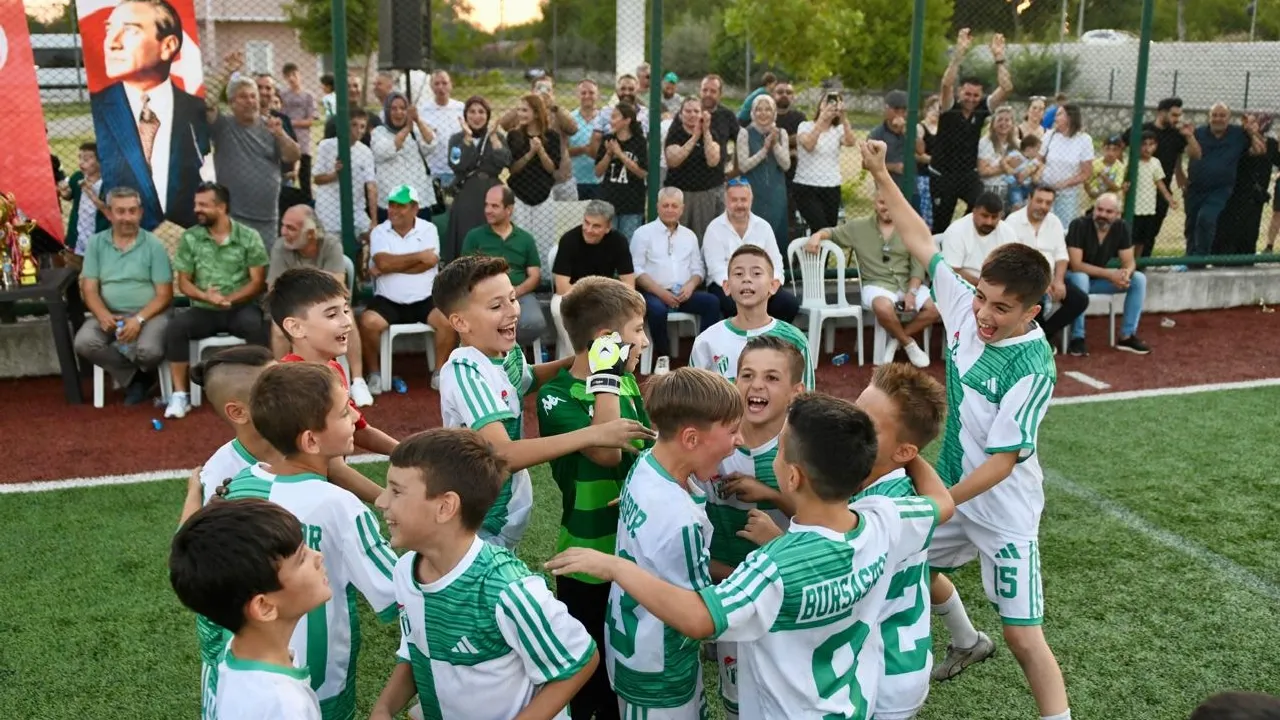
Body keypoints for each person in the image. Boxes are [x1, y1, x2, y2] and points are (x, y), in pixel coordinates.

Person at [546, 391, 953, 720]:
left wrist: (614, 566)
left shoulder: (775, 567)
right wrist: (895, 451)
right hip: (851, 705)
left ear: (792, 476)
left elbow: (699, 619)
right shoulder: (885, 520)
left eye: (779, 450)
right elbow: (943, 502)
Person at [862, 138, 1072, 720]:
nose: (983, 313)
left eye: (1001, 308)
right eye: (982, 297)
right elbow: (920, 241)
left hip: (1002, 508)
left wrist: (942, 502)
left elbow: (1004, 461)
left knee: (1023, 636)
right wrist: (880, 172)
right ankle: (964, 639)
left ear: (1031, 312)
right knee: (905, 560)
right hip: (954, 487)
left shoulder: (1033, 366)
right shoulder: (964, 307)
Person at [737, 363, 949, 720]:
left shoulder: (878, 510)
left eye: (869, 423)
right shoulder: (892, 490)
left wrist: (777, 541)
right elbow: (944, 504)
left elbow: (832, 564)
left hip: (886, 670)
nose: (854, 424)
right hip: (899, 659)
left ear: (903, 452)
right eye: (856, 409)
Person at [368, 428, 600, 720]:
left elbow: (581, 660)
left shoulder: (508, 590)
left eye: (396, 491)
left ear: (445, 507)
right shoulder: (406, 571)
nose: (381, 500)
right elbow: (417, 648)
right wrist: (384, 707)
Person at [433, 255, 655, 549]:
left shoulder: (504, 353)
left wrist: (587, 358)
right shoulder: (466, 371)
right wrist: (594, 434)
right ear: (460, 321)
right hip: (477, 519)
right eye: (496, 306)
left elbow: (528, 378)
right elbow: (501, 454)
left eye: (513, 299)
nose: (512, 311)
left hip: (502, 511)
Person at [220, 362, 399, 720]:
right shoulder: (340, 505)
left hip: (246, 665)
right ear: (311, 441)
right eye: (345, 412)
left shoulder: (238, 485)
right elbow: (396, 591)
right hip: (321, 680)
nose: (355, 418)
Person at [536, 277, 652, 720]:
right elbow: (607, 451)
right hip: (586, 557)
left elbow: (644, 449)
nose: (644, 340)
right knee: (591, 675)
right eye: (637, 330)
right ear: (606, 341)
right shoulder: (555, 396)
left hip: (634, 549)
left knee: (630, 663)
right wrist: (607, 377)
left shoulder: (627, 385)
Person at [692, 336, 807, 719]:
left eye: (772, 378)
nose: (757, 385)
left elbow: (823, 520)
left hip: (784, 595)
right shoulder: (711, 439)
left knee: (786, 692)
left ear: (796, 392)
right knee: (738, 697)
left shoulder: (803, 449)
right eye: (747, 375)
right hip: (727, 592)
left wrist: (771, 495)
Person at [170, 499, 330, 720]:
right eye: (301, 558)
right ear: (264, 607)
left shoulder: (237, 652)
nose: (318, 556)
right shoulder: (285, 705)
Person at [267, 268, 398, 504]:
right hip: (302, 503)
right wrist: (389, 503)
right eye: (331, 315)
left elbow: (358, 428)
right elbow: (334, 469)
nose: (347, 322)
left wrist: (406, 451)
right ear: (295, 327)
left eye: (346, 310)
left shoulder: (332, 368)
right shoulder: (295, 382)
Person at [91, 0, 210, 230]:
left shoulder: (196, 111)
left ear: (168, 46)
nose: (112, 43)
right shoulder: (98, 109)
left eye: (130, 30)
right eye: (109, 30)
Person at [163, 183, 270, 420]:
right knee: (176, 328)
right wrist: (206, 297)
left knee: (256, 326)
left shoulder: (248, 237)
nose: (196, 209)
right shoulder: (191, 237)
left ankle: (262, 390)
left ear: (221, 207)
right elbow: (184, 282)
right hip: (204, 309)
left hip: (240, 307)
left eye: (203, 205)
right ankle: (180, 395)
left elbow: (257, 282)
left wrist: (229, 299)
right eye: (196, 204)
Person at [805, 190, 940, 367]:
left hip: (907, 284)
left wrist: (912, 292)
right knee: (882, 306)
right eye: (882, 203)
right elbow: (831, 233)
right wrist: (816, 236)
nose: (887, 208)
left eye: (892, 203)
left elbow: (917, 267)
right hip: (877, 284)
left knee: (936, 307)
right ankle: (908, 343)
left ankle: (897, 340)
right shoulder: (858, 227)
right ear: (875, 204)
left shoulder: (910, 228)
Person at [74, 186, 174, 405]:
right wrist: (102, 315)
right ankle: (138, 378)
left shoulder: (154, 245)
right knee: (84, 342)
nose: (126, 218)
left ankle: (135, 376)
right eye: (120, 211)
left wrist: (138, 320)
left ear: (140, 213)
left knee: (149, 351)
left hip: (150, 314)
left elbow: (165, 294)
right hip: (110, 314)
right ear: (109, 214)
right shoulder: (96, 244)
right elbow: (89, 289)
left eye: (132, 211)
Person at [358, 185, 456, 392]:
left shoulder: (428, 229)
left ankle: (439, 372)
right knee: (367, 322)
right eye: (391, 205)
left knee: (448, 320)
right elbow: (383, 262)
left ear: (414, 208)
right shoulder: (379, 232)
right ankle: (375, 374)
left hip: (425, 299)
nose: (393, 210)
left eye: (400, 206)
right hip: (388, 301)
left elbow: (429, 263)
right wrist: (419, 256)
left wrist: (390, 267)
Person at [177, 345, 278, 525]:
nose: (293, 393)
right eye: (277, 391)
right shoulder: (221, 477)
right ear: (238, 413)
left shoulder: (310, 440)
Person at [690, 246, 813, 389]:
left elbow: (806, 398)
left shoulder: (795, 340)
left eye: (756, 273)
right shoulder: (707, 341)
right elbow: (692, 397)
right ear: (726, 286)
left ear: (773, 286)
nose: (747, 279)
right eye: (739, 273)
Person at [931, 29, 1013, 233]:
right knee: (940, 224)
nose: (971, 99)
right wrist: (958, 55)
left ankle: (961, 235)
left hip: (968, 175)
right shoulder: (950, 107)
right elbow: (946, 84)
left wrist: (999, 58)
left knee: (983, 205)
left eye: (976, 95)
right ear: (960, 92)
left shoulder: (982, 108)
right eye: (967, 94)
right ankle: (940, 248)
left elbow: (1006, 88)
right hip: (943, 175)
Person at [207, 73, 301, 248]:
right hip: (233, 216)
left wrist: (280, 135)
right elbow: (207, 104)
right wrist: (225, 74)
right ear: (231, 102)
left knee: (265, 262)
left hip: (268, 218)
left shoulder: (271, 126)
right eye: (243, 97)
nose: (250, 101)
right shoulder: (223, 126)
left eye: (253, 96)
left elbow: (293, 155)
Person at [630, 187, 722, 361]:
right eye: (665, 205)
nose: (670, 209)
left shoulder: (689, 236)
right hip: (653, 293)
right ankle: (663, 357)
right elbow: (636, 270)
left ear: (682, 209)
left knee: (712, 303)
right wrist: (661, 293)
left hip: (683, 294)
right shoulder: (642, 234)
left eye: (674, 206)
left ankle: (703, 357)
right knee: (657, 310)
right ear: (658, 207)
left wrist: (690, 286)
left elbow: (698, 269)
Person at [461, 185, 548, 347]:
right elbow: (465, 272)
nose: (488, 210)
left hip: (519, 294)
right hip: (485, 295)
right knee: (478, 322)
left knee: (535, 323)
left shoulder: (525, 238)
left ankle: (505, 350)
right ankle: (499, 351)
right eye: (486, 205)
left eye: (494, 206)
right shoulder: (474, 236)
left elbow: (535, 276)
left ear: (509, 209)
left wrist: (514, 292)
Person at [702, 179, 800, 323]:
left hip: (761, 284)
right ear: (726, 201)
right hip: (726, 286)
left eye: (743, 200)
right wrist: (741, 288)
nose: (739, 205)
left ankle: (773, 337)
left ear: (751, 201)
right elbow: (716, 269)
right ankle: (745, 337)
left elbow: (776, 262)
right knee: (733, 305)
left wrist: (772, 284)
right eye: (734, 200)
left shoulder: (763, 226)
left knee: (788, 304)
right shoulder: (714, 228)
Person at [1066, 194, 1151, 356]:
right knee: (1081, 278)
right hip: (1072, 281)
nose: (1103, 215)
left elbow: (1129, 262)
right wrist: (1111, 275)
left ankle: (1127, 336)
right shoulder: (1079, 225)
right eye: (1099, 210)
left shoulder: (1121, 227)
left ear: (1117, 214)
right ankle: (1077, 337)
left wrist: (1125, 274)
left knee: (1138, 279)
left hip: (1097, 281)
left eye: (1109, 211)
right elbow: (1076, 265)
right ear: (1094, 209)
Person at [1005, 185, 1089, 344]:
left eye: (1048, 203)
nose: (1043, 206)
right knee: (1037, 299)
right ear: (1029, 199)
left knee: (1079, 300)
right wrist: (1040, 282)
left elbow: (1061, 256)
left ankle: (1045, 335)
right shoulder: (1012, 221)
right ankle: (1038, 340)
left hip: (1050, 278)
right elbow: (1012, 260)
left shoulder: (1054, 222)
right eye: (1039, 201)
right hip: (1023, 280)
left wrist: (1059, 280)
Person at [443, 96, 510, 263]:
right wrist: (467, 140)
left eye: (481, 112)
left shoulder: (497, 137)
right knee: (465, 237)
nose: (476, 116)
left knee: (491, 238)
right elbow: (457, 164)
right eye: (472, 112)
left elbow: (504, 161)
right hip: (467, 195)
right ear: (465, 115)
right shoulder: (457, 139)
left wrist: (493, 138)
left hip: (491, 193)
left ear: (488, 115)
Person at [793, 91, 858, 234]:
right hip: (806, 185)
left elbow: (851, 141)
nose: (830, 105)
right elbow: (809, 145)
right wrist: (822, 119)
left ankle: (819, 250)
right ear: (820, 105)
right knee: (820, 227)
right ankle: (807, 248)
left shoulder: (838, 130)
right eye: (827, 102)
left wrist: (844, 117)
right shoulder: (805, 126)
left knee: (830, 230)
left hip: (831, 186)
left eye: (835, 102)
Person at [664, 97, 727, 239]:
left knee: (702, 236)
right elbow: (673, 160)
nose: (692, 114)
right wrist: (694, 137)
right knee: (677, 235)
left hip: (704, 193)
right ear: (681, 115)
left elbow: (713, 161)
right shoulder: (675, 133)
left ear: (702, 114)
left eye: (696, 111)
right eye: (688, 111)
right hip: (680, 192)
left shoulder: (712, 134)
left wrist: (705, 132)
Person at [507, 93, 562, 252]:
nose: (520, 114)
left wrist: (540, 150)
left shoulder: (552, 136)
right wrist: (530, 153)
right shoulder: (514, 135)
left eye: (525, 110)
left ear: (537, 113)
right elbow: (512, 169)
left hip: (543, 194)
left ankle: (542, 268)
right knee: (518, 239)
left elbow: (551, 168)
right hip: (519, 195)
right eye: (519, 110)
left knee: (543, 241)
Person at [370, 92, 437, 223]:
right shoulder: (379, 132)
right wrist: (406, 129)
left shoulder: (415, 131)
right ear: (387, 111)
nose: (399, 112)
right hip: (391, 199)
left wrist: (417, 120)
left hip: (417, 197)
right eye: (394, 109)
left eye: (403, 108)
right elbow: (384, 151)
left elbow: (431, 144)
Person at [313, 109, 377, 241]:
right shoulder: (326, 146)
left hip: (356, 210)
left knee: (375, 239)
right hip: (329, 210)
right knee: (334, 247)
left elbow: (371, 186)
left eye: (362, 127)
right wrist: (334, 175)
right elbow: (317, 179)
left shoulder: (365, 152)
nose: (358, 130)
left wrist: (374, 220)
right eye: (354, 125)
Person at [737, 95, 791, 246]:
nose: (763, 113)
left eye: (768, 109)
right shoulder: (744, 133)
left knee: (777, 238)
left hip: (776, 193)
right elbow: (743, 166)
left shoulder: (781, 133)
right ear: (753, 112)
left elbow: (786, 165)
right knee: (754, 239)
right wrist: (764, 150)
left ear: (774, 113)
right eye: (759, 109)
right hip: (753, 192)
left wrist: (775, 145)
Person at [594, 102, 649, 239]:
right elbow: (598, 172)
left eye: (614, 117)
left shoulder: (639, 142)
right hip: (609, 201)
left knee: (627, 242)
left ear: (627, 120)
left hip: (632, 203)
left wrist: (620, 154)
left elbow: (642, 173)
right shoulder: (608, 140)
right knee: (609, 243)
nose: (611, 121)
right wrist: (608, 154)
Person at [939, 192, 1017, 285]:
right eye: (985, 216)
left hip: (997, 286)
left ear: (1001, 216)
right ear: (974, 212)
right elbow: (952, 270)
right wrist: (984, 286)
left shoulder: (1008, 232)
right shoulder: (956, 231)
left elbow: (1013, 267)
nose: (989, 222)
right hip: (962, 286)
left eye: (994, 217)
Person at [1038, 103, 1094, 224]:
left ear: (1069, 117)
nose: (1055, 118)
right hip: (1045, 191)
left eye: (1059, 114)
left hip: (1067, 195)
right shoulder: (1049, 135)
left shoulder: (1084, 140)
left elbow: (1086, 172)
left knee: (1064, 227)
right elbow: (1039, 160)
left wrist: (1064, 184)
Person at [1131, 130, 1179, 258]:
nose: (1147, 148)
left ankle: (1137, 262)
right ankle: (1127, 262)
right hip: (1134, 209)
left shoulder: (1155, 162)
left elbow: (1160, 183)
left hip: (1149, 208)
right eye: (1144, 144)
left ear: (1156, 146)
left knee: (1142, 240)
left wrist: (1169, 199)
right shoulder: (1133, 162)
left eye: (1151, 144)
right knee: (1130, 239)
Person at [415, 70, 466, 188]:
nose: (440, 87)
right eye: (437, 83)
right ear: (431, 86)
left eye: (444, 83)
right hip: (433, 170)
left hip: (457, 169)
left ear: (451, 85)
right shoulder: (423, 111)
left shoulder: (461, 108)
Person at [61, 142, 109, 257]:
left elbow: (109, 211)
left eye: (86, 159)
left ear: (100, 161)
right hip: (77, 239)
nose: (81, 162)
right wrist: (65, 193)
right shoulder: (77, 177)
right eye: (80, 158)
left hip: (99, 241)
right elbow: (69, 195)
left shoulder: (107, 184)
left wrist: (90, 192)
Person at [278, 63, 316, 197]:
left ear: (300, 75)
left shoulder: (308, 96)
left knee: (305, 179)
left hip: (303, 143)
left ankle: (307, 202)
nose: (292, 78)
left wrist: (290, 122)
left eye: (294, 74)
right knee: (286, 179)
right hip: (286, 141)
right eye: (288, 76)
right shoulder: (282, 95)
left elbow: (310, 120)